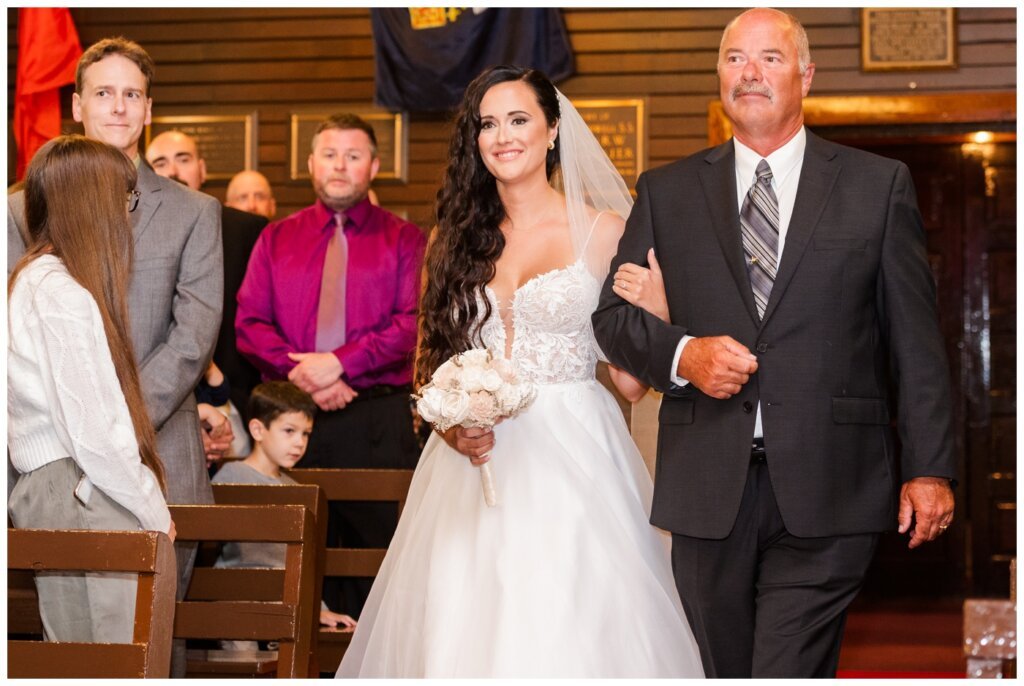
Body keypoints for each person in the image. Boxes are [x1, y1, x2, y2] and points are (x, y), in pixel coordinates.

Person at [592, 8, 956, 678]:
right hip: (707, 486)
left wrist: (929, 467)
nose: (750, 73)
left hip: (832, 484)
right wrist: (684, 356)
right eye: (734, 58)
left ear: (806, 75)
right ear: (719, 77)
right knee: (725, 669)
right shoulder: (667, 192)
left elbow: (916, 342)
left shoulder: (878, 188)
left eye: (770, 58)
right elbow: (612, 318)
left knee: (787, 666)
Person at [336, 65, 704, 678]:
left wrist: (658, 312)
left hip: (574, 458)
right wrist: (452, 427)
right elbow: (429, 361)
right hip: (469, 462)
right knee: (461, 625)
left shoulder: (603, 230)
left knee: (565, 623)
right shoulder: (453, 239)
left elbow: (632, 383)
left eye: (518, 119)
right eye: (487, 124)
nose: (502, 136)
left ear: (553, 130)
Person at [8, 37, 223, 678]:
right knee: (70, 647)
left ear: (149, 107)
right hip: (54, 462)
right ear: (76, 105)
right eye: (104, 92)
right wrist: (84, 427)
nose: (119, 107)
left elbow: (193, 337)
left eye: (132, 94)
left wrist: (115, 421)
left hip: (162, 454)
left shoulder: (193, 210)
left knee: (157, 644)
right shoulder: (19, 208)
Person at [236, 113, 426, 618]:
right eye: (329, 154)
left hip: (376, 422)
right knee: (294, 557)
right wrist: (305, 375)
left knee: (382, 559)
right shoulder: (276, 239)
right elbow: (250, 323)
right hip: (292, 421)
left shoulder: (406, 240)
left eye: (353, 155)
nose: (340, 165)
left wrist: (341, 365)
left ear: (374, 166)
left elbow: (412, 324)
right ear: (310, 164)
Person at [8, 135, 176, 644]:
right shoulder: (60, 291)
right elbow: (94, 430)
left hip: (59, 486)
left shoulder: (36, 279)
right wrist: (153, 510)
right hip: (82, 488)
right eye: (126, 199)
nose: (129, 214)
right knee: (111, 656)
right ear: (95, 203)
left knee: (82, 656)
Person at [145, 129, 267, 451]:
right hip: (154, 404)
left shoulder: (247, 229)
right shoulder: (133, 228)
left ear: (202, 169)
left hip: (237, 400)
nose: (173, 171)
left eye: (183, 160)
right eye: (160, 162)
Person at [211, 381, 355, 651]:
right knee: (243, 648)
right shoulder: (231, 478)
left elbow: (302, 562)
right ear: (257, 429)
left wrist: (318, 608)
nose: (299, 443)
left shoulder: (296, 491)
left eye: (306, 434)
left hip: (286, 601)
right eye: (289, 431)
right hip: (238, 596)